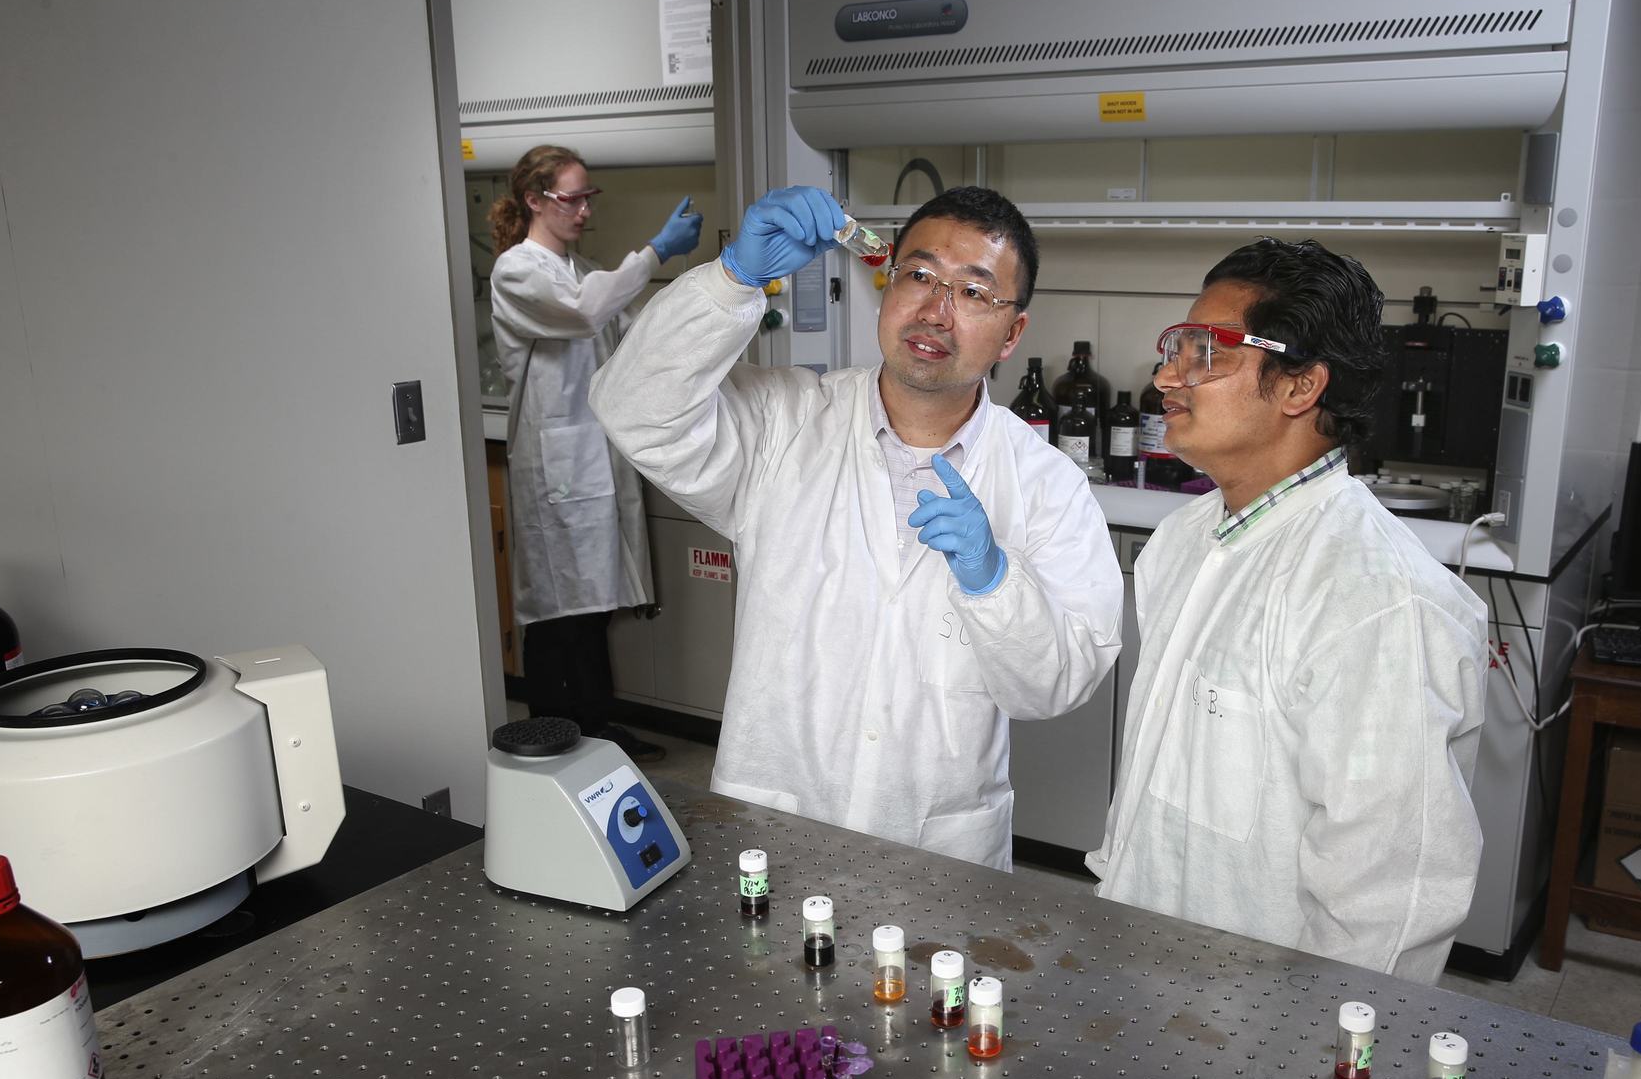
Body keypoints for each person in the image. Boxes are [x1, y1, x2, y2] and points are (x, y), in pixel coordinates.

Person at [588, 185, 1121, 870]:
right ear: (888, 283)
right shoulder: (785, 421)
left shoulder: (1049, 485)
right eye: (919, 275)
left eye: (974, 293)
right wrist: (731, 282)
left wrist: (994, 582)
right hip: (774, 826)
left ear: (1013, 334)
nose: (936, 310)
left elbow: (1055, 684)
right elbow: (634, 408)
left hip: (937, 849)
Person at [1086, 237, 1488, 984]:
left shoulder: (1378, 601)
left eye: (1205, 352)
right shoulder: (1180, 540)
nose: (1166, 375)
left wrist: (1317, 1065)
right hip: (1147, 964)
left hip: (1266, 1021)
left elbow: (1391, 905)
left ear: (1300, 387)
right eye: (1176, 348)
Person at [488, 144, 702, 761]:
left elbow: (629, 330)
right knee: (559, 613)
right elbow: (584, 316)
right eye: (571, 198)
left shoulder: (585, 271)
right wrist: (657, 251)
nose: (584, 210)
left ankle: (595, 728)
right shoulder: (517, 271)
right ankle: (555, 733)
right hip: (554, 465)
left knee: (591, 607)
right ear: (535, 200)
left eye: (589, 197)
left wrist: (707, 294)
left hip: (594, 457)